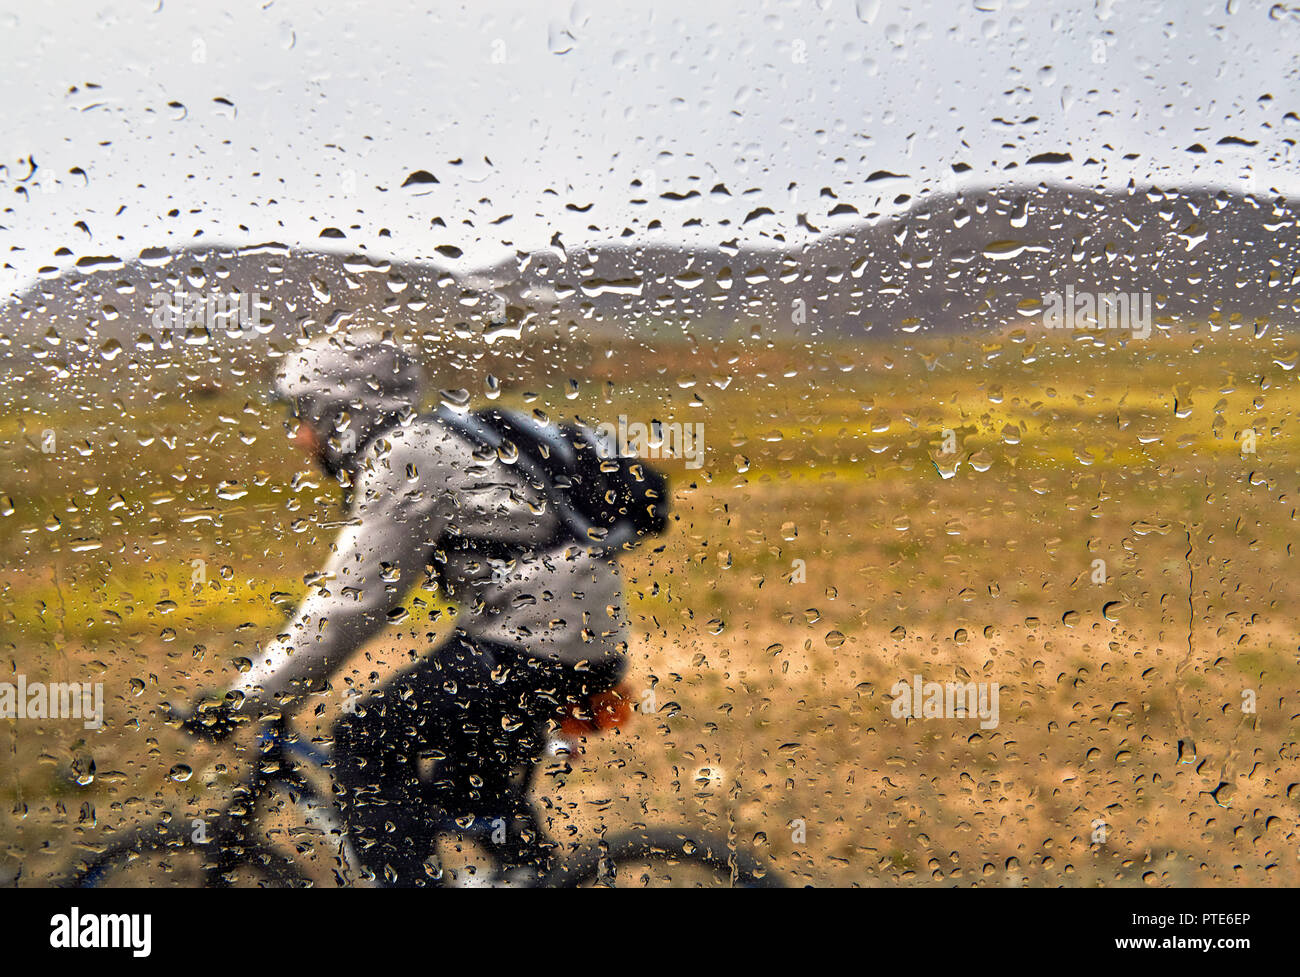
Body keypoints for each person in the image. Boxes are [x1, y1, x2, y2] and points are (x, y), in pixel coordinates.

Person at [180, 332, 630, 884]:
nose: (299, 437)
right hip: (574, 634)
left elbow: (351, 603)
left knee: (365, 739)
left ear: (342, 412)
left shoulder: (404, 456)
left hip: (535, 637)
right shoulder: (443, 435)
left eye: (306, 414)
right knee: (470, 788)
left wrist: (246, 696)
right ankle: (532, 875)